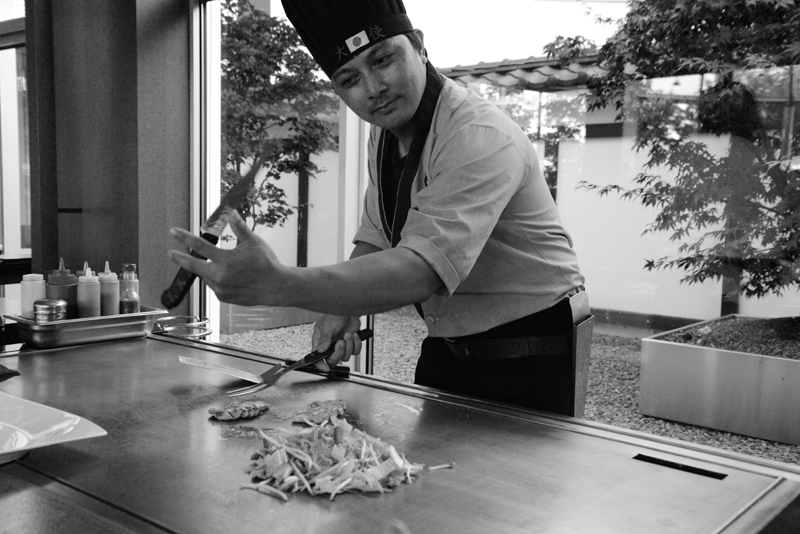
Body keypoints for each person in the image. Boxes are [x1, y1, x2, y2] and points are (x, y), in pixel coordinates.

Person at [168, 0, 587, 415]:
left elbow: (420, 270)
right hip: (448, 347)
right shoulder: (385, 134)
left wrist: (278, 283)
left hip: (535, 351)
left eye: (383, 60)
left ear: (419, 46)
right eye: (350, 79)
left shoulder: (478, 133)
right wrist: (342, 308)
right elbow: (377, 237)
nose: (374, 89)